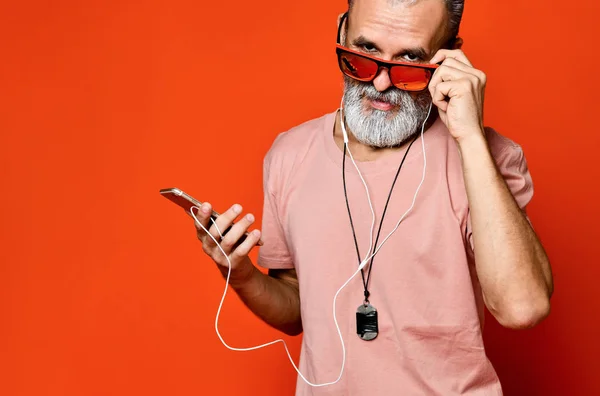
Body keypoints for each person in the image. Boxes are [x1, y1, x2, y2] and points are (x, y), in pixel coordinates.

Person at [193, 0, 554, 394]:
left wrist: (469, 138)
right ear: (341, 32)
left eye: (410, 60)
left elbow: (523, 308)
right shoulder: (289, 155)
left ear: (447, 56)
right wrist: (242, 274)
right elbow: (299, 308)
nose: (381, 83)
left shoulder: (487, 158)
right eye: (365, 52)